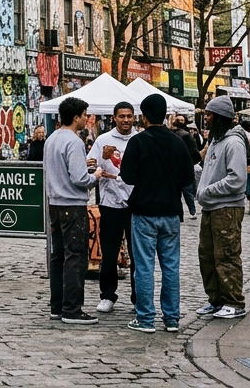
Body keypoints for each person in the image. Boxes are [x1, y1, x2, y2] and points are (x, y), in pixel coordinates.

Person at [119, 94, 194, 334]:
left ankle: (146, 318)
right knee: (170, 267)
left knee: (144, 267)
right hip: (171, 212)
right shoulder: (178, 142)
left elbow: (127, 176)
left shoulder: (138, 142)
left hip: (144, 211)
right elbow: (188, 178)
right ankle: (171, 318)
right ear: (166, 115)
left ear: (143, 115)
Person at [45, 98, 98, 324]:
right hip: (72, 204)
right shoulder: (74, 141)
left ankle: (57, 305)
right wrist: (94, 176)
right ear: (76, 117)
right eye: (85, 114)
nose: (87, 118)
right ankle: (72, 309)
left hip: (55, 203)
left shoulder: (52, 138)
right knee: (75, 257)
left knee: (58, 256)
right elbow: (79, 179)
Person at [195, 97, 248, 320]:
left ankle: (233, 302)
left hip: (226, 208)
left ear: (219, 117)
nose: (205, 118)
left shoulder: (233, 143)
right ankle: (215, 300)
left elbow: (237, 179)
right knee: (207, 256)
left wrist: (208, 191)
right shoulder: (215, 141)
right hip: (210, 208)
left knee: (226, 255)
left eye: (209, 114)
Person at [89, 101, 137, 314]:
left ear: (134, 117)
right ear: (114, 117)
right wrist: (93, 165)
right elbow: (90, 163)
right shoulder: (103, 140)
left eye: (129, 116)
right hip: (110, 204)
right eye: (122, 116)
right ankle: (107, 295)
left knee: (138, 255)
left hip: (136, 204)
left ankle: (139, 297)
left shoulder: (139, 139)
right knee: (109, 254)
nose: (126, 120)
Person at [171, 115, 201, 218]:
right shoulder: (186, 135)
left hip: (178, 167)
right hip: (183, 167)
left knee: (181, 191)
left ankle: (183, 212)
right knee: (186, 191)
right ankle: (191, 212)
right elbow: (193, 152)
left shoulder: (178, 134)